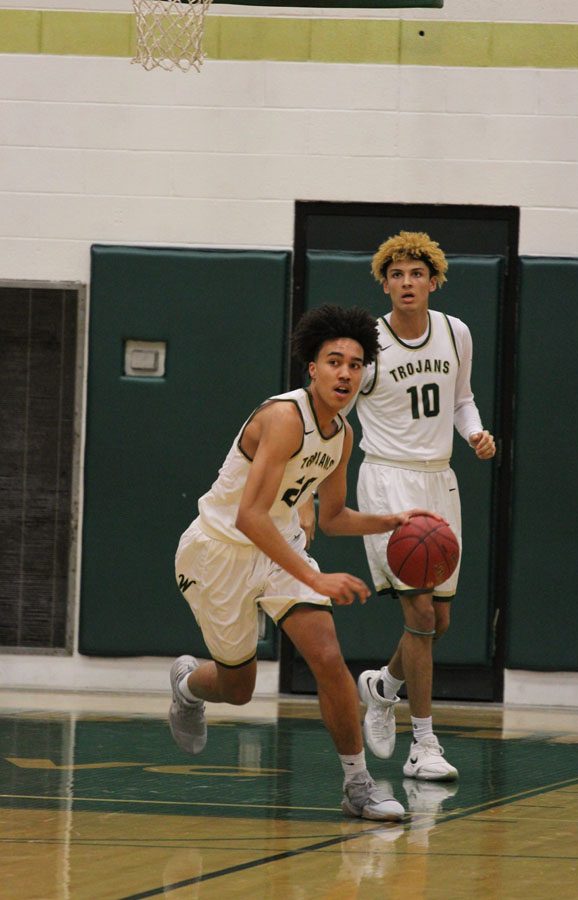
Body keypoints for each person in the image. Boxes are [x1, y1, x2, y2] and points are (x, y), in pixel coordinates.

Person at [169, 304, 436, 821]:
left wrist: (391, 521)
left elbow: (333, 517)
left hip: (279, 551)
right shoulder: (283, 418)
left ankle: (357, 784)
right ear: (312, 368)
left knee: (329, 657)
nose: (345, 373)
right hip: (217, 553)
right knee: (238, 689)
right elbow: (249, 516)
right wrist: (314, 575)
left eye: (356, 365)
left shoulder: (342, 434)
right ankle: (186, 684)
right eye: (334, 361)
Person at [350, 231, 496, 781]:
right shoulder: (368, 342)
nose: (406, 283)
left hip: (440, 481)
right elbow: (339, 407)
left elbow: (462, 400)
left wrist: (476, 434)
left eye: (416, 273)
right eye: (396, 274)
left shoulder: (456, 333)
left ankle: (383, 686)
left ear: (433, 281)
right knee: (419, 613)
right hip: (388, 481)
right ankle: (424, 745)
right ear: (384, 283)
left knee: (441, 621)